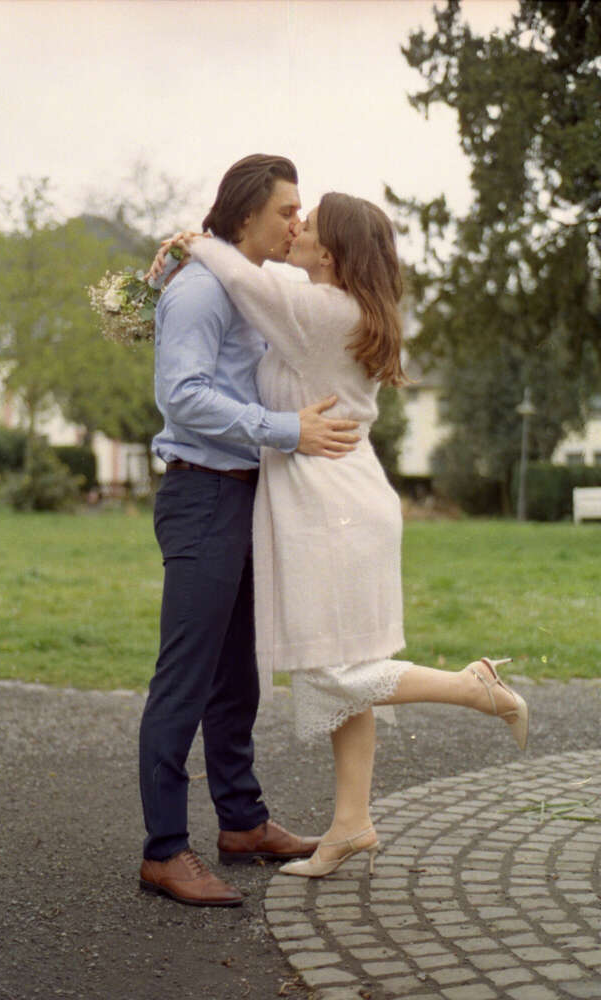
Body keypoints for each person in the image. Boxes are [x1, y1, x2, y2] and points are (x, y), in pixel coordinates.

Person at [155, 191, 529, 881]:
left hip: (330, 508)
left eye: (308, 223)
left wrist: (194, 242)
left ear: (328, 253)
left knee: (333, 671)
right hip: (344, 499)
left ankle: (473, 686)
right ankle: (351, 824)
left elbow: (241, 278)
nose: (295, 228)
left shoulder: (322, 312)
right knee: (344, 664)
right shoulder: (340, 310)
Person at [138, 156, 362, 908]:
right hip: (202, 495)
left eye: (301, 212)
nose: (298, 223)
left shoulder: (246, 287)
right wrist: (284, 430)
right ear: (244, 214)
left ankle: (242, 823)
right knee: (186, 678)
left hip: (244, 497)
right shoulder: (200, 290)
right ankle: (165, 850)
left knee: (237, 677)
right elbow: (185, 396)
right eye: (286, 211)